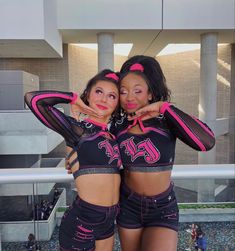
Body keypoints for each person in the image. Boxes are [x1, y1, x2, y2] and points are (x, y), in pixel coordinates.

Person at [111, 55, 215, 251]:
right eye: (123, 91)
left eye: (137, 90)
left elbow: (206, 142)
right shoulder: (116, 125)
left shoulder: (167, 121)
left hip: (162, 208)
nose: (130, 97)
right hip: (128, 205)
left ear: (150, 93)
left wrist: (163, 107)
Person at [25, 69, 121, 251]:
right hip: (84, 219)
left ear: (117, 103)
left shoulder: (113, 135)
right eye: (98, 92)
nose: (103, 99)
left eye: (112, 96)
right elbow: (34, 100)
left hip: (109, 219)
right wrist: (72, 98)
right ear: (88, 95)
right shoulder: (77, 129)